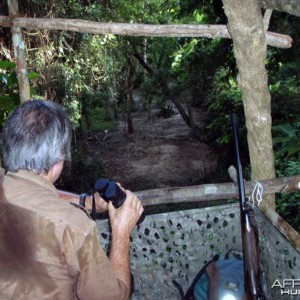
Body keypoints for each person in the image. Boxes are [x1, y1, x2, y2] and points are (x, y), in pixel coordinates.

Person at [0, 99, 144, 300]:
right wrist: (121, 232)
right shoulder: (75, 227)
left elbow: (30, 194)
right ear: (59, 157)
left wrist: (84, 202)